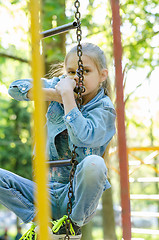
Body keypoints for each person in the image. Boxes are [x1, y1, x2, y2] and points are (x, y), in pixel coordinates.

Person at [0, 43, 116, 239]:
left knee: (94, 164)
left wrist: (68, 98)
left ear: (102, 75)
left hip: (77, 195)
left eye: (85, 71)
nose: (77, 77)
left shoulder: (104, 109)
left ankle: (71, 226)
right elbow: (15, 88)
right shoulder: (60, 86)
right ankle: (43, 224)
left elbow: (83, 137)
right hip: (46, 191)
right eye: (71, 72)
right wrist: (55, 94)